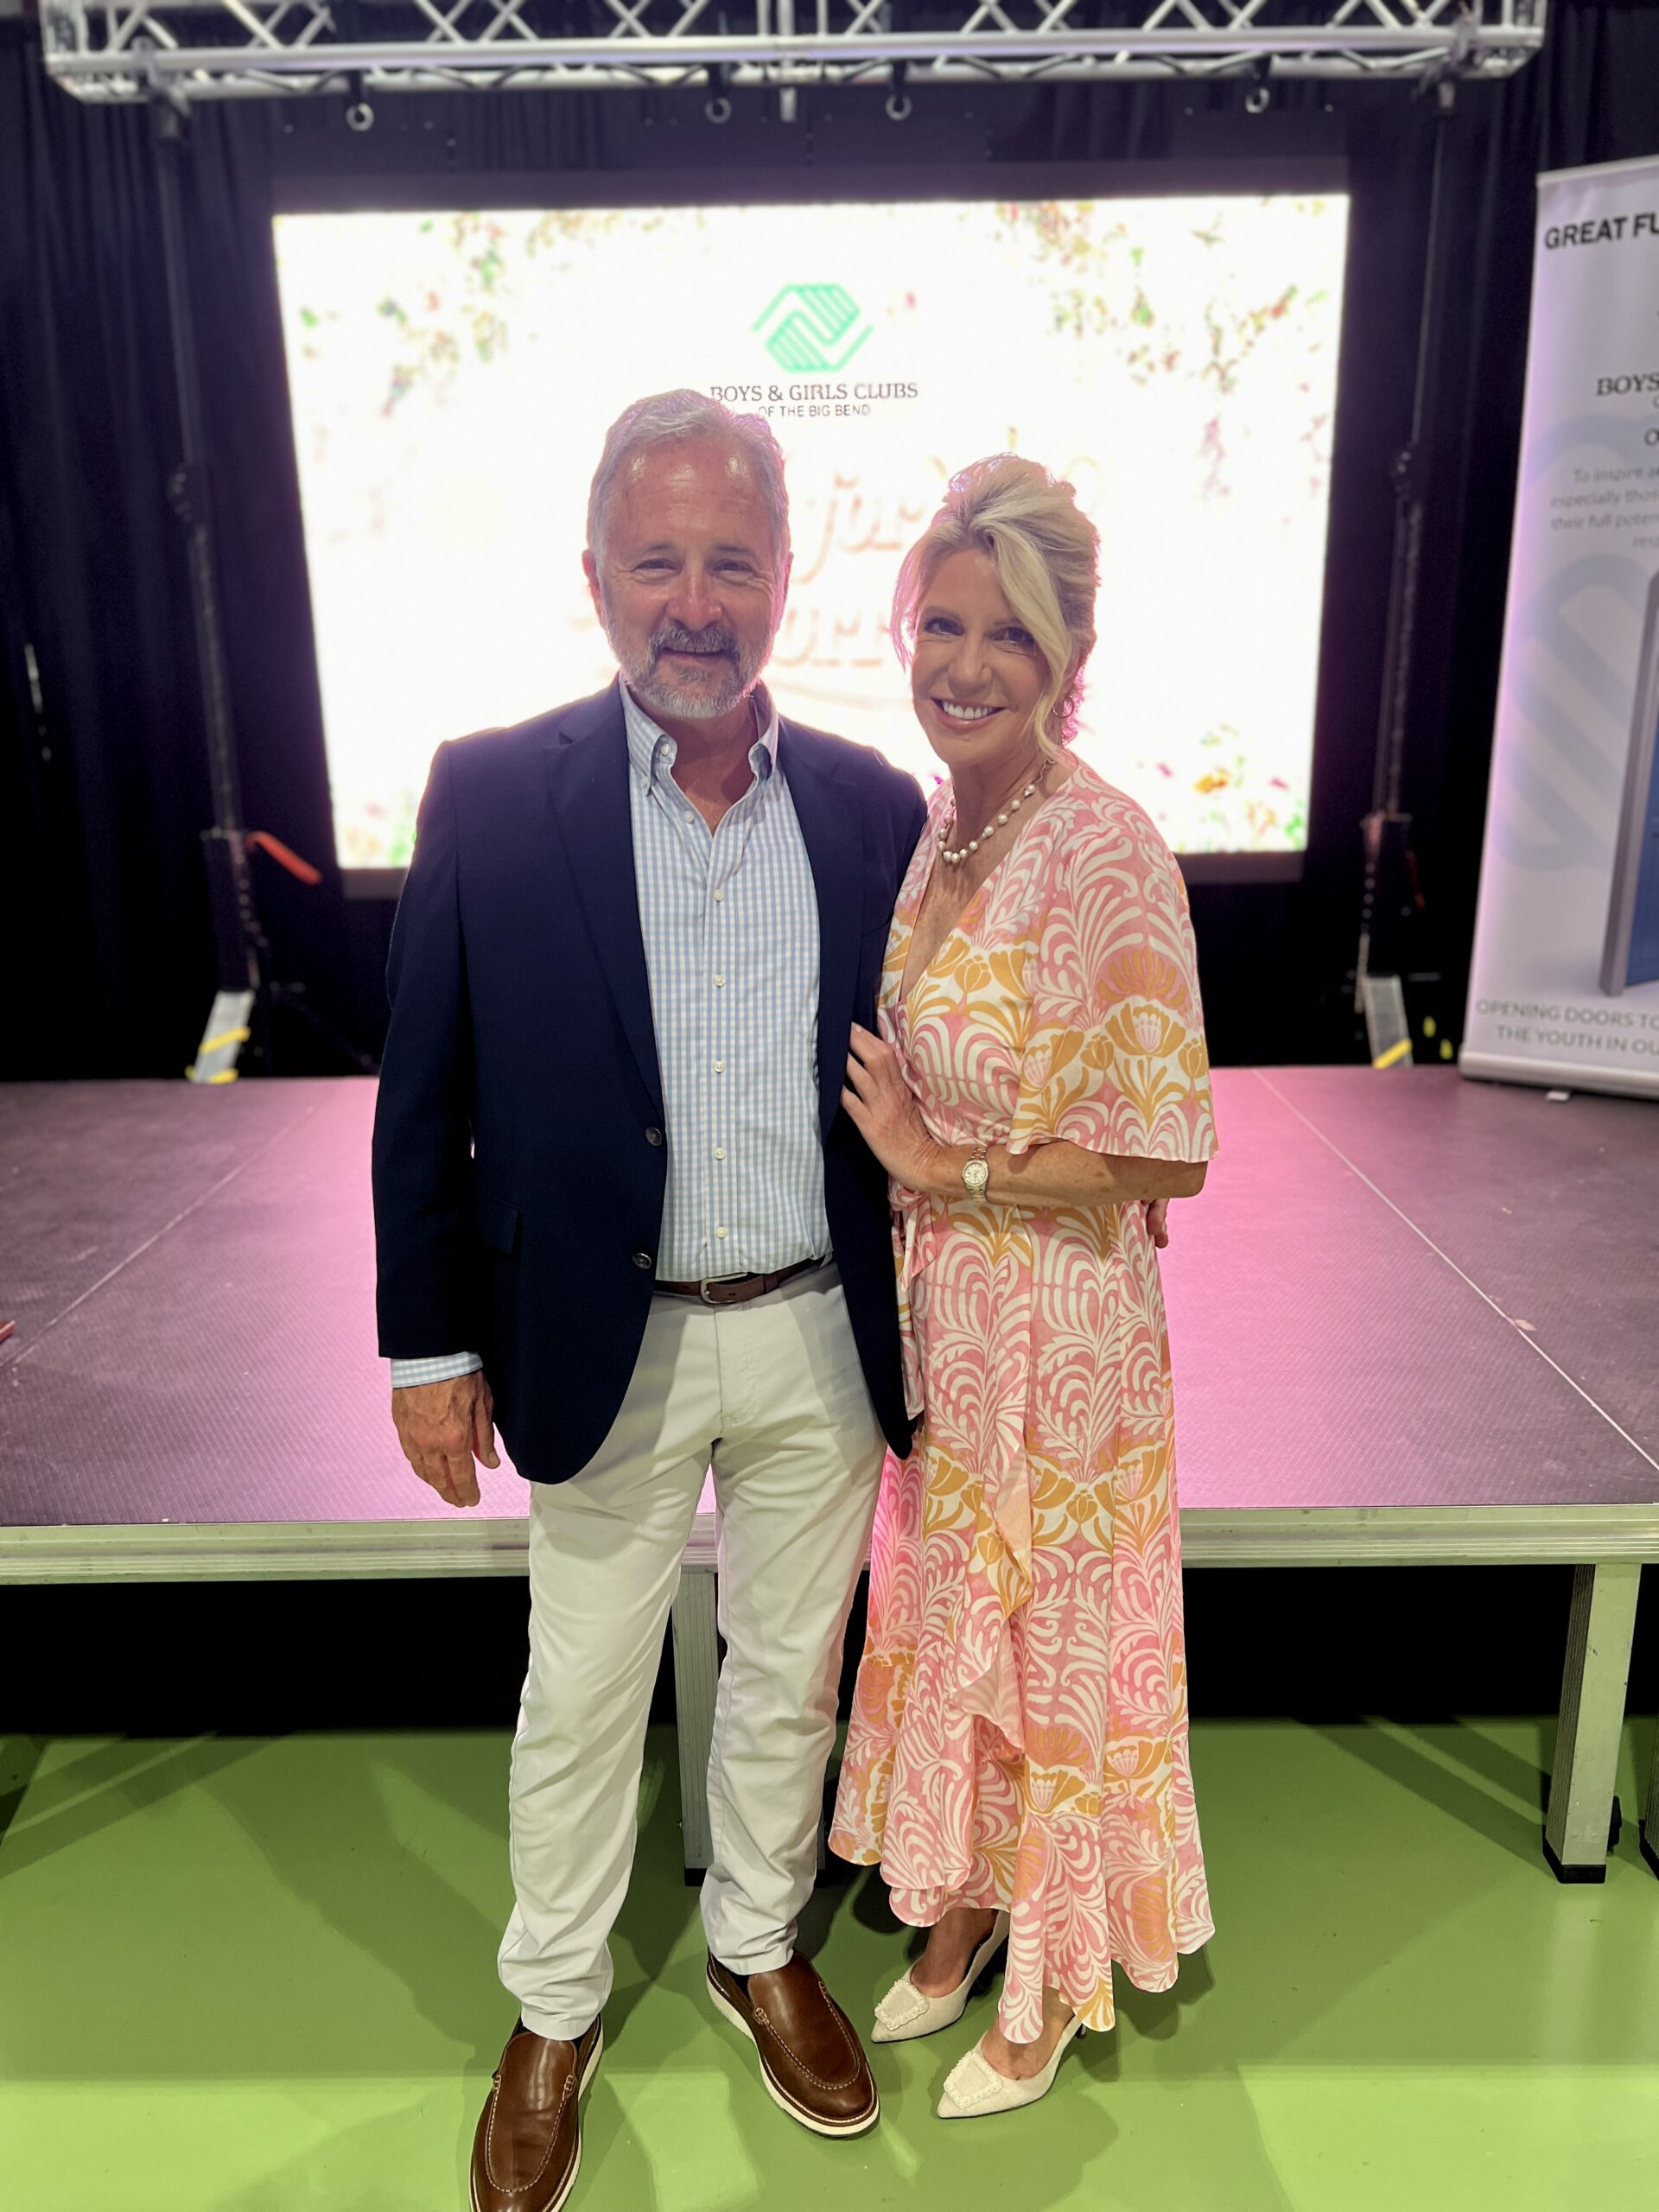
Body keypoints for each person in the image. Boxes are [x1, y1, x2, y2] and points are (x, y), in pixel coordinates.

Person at [372, 390, 926, 2212]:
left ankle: (759, 1946)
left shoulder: (871, 804)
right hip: (593, 1337)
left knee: (790, 1675)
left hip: (819, 1329)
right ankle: (554, 2005)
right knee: (582, 1691)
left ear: (788, 576)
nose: (697, 602)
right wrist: (429, 1343)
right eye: (660, 560)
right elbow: (423, 1087)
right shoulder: (487, 789)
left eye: (733, 562)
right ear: (597, 573)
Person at [829, 455, 1217, 2120]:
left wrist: (945, 1168)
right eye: (943, 625)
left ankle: (1050, 1983)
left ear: (1069, 659)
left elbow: (1167, 1154)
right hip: (955, 1330)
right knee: (954, 1621)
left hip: (1058, 1336)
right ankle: (967, 1907)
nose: (966, 665)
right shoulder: (941, 829)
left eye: (1009, 636)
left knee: (1051, 1645)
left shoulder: (1106, 849)